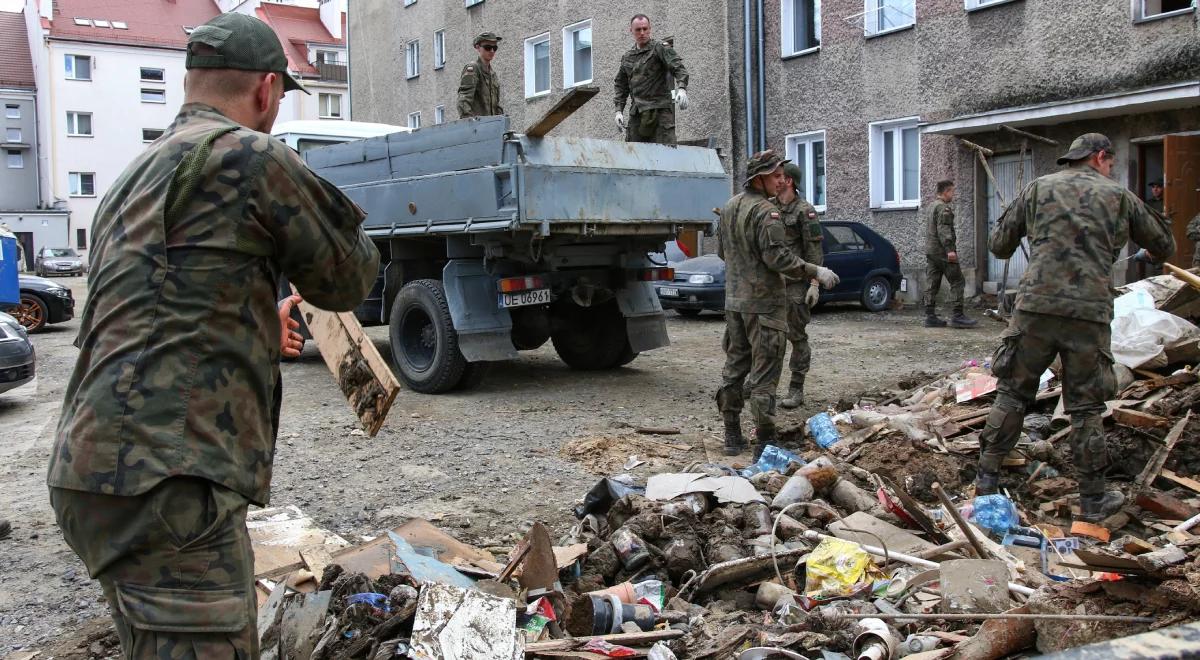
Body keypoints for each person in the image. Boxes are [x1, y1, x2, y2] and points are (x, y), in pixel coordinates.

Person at [46, 13, 380, 658]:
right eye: (280, 97)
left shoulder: (132, 176)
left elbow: (153, 307)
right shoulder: (250, 157)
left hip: (95, 470)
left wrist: (251, 318)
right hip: (166, 482)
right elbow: (347, 279)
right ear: (266, 89)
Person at [978, 133, 1174, 524]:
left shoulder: (1037, 189)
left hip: (1035, 309)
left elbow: (998, 244)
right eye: (1111, 162)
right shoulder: (1118, 196)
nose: (1111, 168)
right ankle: (1092, 502)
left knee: (1013, 393)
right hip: (1089, 313)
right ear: (1101, 156)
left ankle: (985, 483)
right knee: (1086, 409)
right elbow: (1164, 244)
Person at [716, 150, 839, 459]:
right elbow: (777, 258)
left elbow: (722, 252)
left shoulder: (730, 207)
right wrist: (815, 273)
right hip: (765, 305)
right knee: (764, 375)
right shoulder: (766, 212)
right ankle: (765, 442)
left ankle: (732, 433)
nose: (779, 180)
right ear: (759, 178)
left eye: (781, 175)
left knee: (734, 368)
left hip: (735, 302)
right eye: (774, 175)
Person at [774, 163, 824, 409]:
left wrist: (814, 283)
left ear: (789, 181)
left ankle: (796, 387)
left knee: (796, 336)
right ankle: (760, 383)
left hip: (795, 285)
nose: (775, 179)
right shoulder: (769, 207)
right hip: (772, 284)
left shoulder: (805, 211)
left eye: (779, 176)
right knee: (767, 336)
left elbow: (813, 250)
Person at [614, 14, 689, 145]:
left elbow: (678, 68)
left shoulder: (660, 48)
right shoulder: (627, 57)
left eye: (645, 28)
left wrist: (682, 89)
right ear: (631, 30)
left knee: (666, 153)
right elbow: (621, 85)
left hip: (659, 111)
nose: (642, 33)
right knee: (633, 154)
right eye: (638, 30)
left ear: (650, 28)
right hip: (637, 113)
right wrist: (618, 111)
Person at [923, 180, 976, 329]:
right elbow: (944, 230)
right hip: (942, 252)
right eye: (952, 191)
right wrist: (950, 250)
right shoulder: (943, 208)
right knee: (957, 281)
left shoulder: (931, 206)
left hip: (931, 251)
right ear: (946, 192)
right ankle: (958, 316)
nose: (954, 194)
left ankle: (930, 316)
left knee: (932, 282)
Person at [458, 32, 503, 118]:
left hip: (491, 126)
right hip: (477, 126)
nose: (492, 51)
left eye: (495, 48)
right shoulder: (473, 68)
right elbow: (464, 100)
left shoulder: (492, 74)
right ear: (478, 48)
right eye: (488, 47)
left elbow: (496, 105)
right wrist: (470, 124)